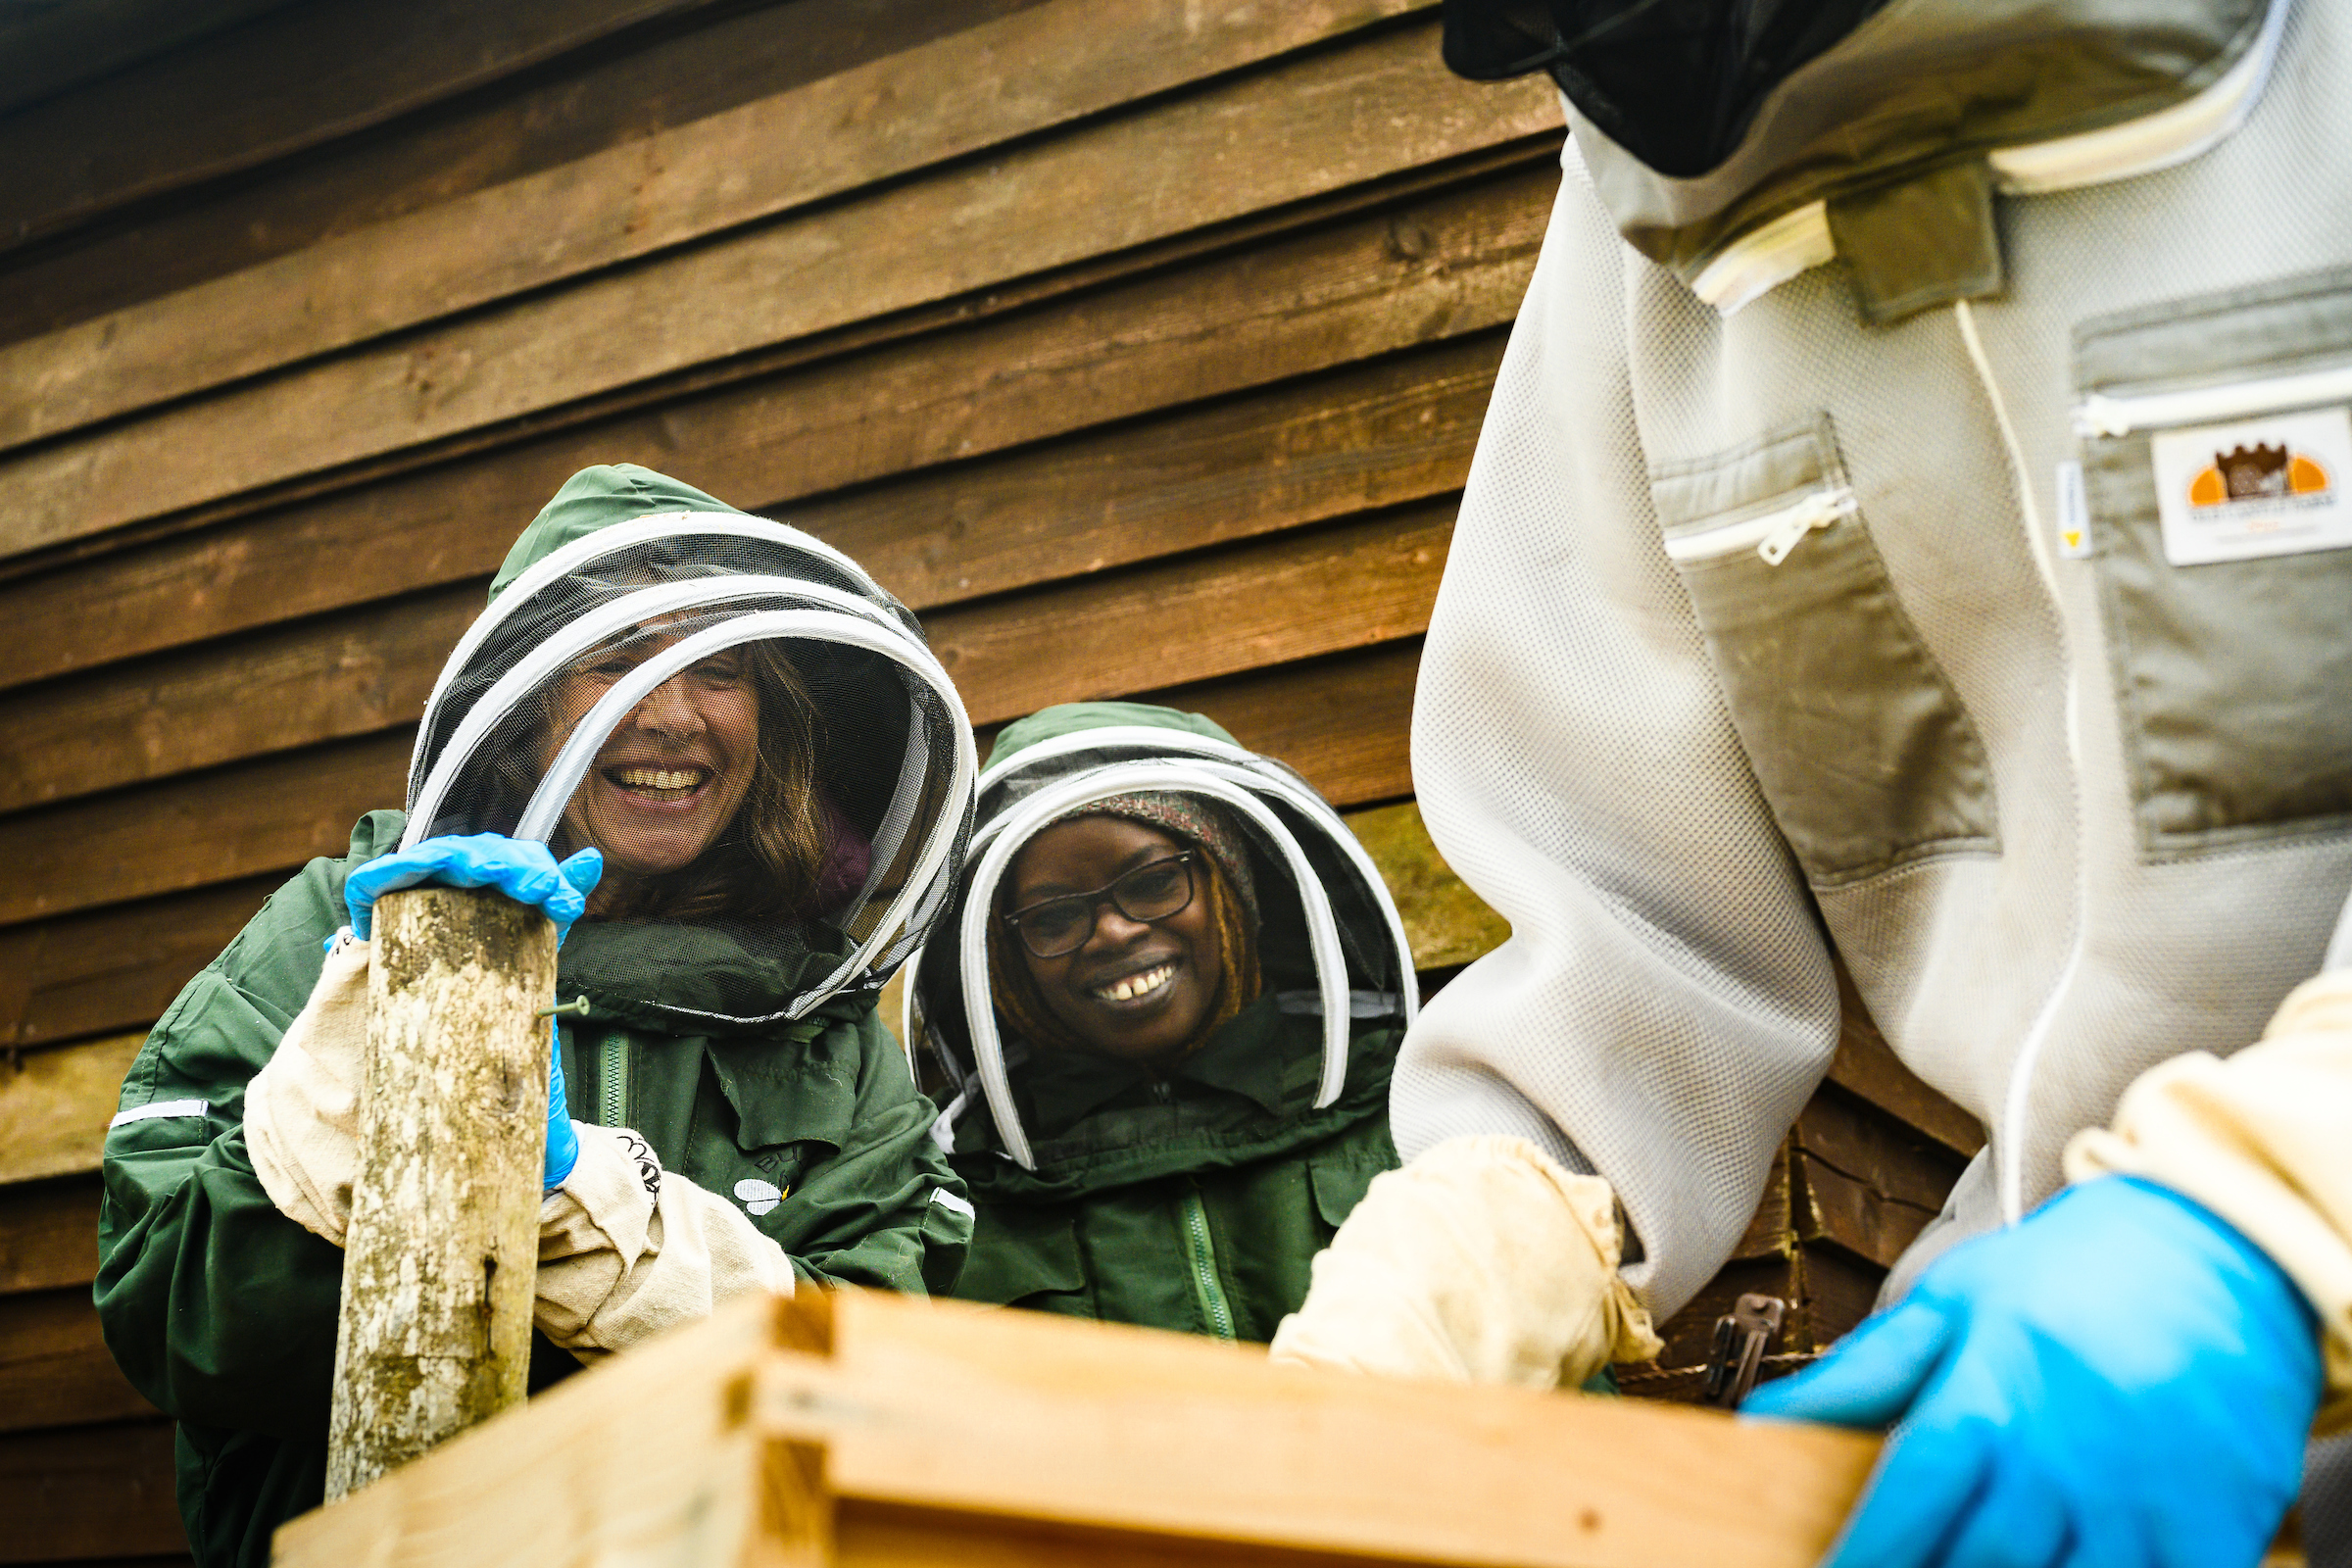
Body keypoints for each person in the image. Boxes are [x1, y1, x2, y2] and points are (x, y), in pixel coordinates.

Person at [1271, 4, 2352, 1565]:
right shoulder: (1637, 228)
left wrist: (2262, 1227)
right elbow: (1632, 915)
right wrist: (1451, 1274)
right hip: (2029, 1385)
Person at [95, 465, 978, 1567]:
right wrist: (339, 1137)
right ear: (524, 701)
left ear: (773, 719)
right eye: (616, 659)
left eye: (718, 666)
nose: (669, 712)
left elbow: (874, 1380)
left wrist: (578, 1204)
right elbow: (172, 1319)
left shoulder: (828, 1028)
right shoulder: (334, 921)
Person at [906, 703, 1416, 1342]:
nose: (1114, 932)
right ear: (1006, 963)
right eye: (1054, 918)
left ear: (1229, 886)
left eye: (1151, 883)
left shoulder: (1415, 1102)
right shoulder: (951, 1199)